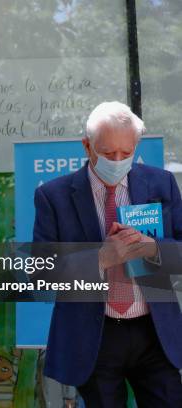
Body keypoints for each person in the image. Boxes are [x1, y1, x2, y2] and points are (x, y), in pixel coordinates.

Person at [33, 102, 182, 406]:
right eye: (107, 153)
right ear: (87, 146)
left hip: (155, 331)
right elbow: (41, 274)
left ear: (136, 146)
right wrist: (101, 258)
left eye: (125, 153)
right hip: (94, 335)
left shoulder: (161, 183)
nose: (116, 161)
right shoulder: (53, 196)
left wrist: (154, 247)